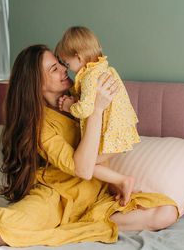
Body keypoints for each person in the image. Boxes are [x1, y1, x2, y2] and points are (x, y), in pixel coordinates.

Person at [0, 45, 178, 247]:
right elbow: (83, 169)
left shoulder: (81, 92)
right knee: (0, 232)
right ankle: (86, 226)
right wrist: (96, 110)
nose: (63, 68)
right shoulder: (39, 126)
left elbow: (107, 140)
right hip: (57, 198)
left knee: (166, 212)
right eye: (54, 69)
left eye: (60, 63)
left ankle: (80, 224)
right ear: (36, 83)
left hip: (96, 197)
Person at [55, 26, 139, 206]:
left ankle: (123, 180)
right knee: (92, 164)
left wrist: (70, 106)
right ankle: (116, 184)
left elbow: (85, 109)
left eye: (67, 64)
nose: (68, 69)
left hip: (113, 133)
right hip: (121, 130)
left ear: (78, 57)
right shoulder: (103, 69)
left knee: (84, 165)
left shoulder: (89, 77)